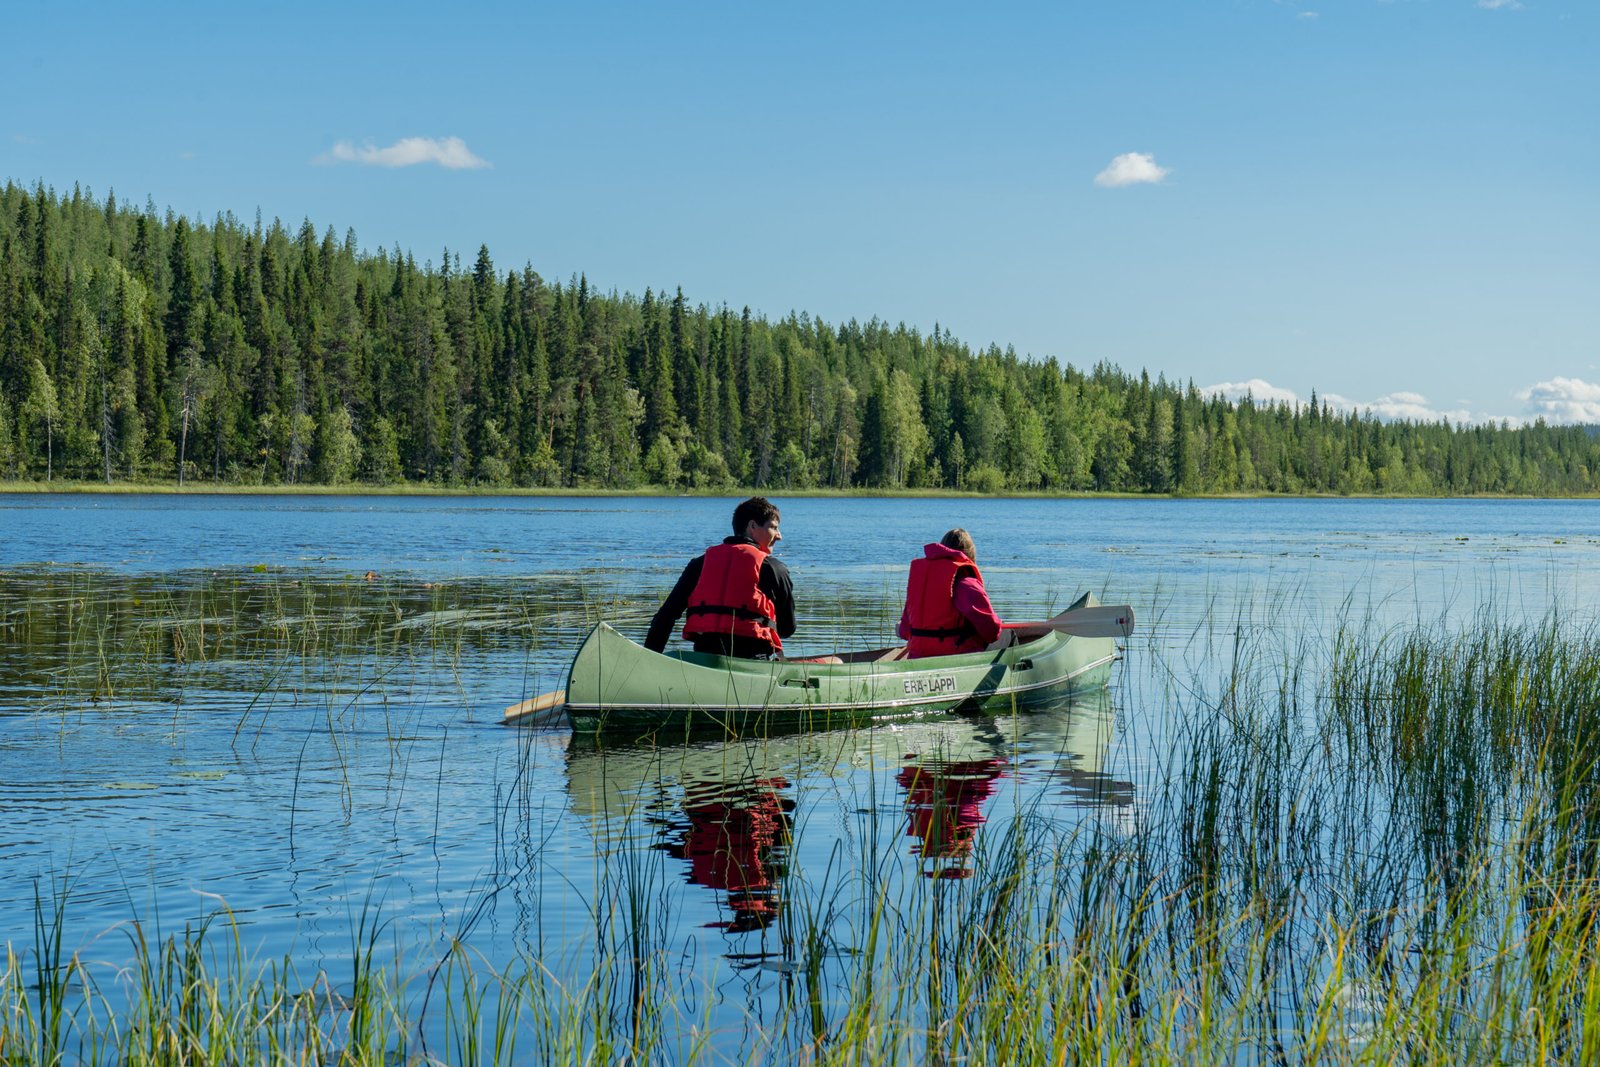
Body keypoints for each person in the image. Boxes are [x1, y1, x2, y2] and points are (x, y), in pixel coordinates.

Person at [645, 497, 796, 659]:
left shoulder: (699, 564)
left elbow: (665, 617)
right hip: (751, 661)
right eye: (773, 528)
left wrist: (650, 660)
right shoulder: (774, 568)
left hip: (704, 658)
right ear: (752, 526)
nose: (779, 536)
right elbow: (787, 628)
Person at [897, 528, 1003, 658]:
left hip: (917, 657)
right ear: (969, 554)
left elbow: (904, 631)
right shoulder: (966, 583)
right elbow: (992, 631)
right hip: (955, 656)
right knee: (1007, 640)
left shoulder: (921, 584)